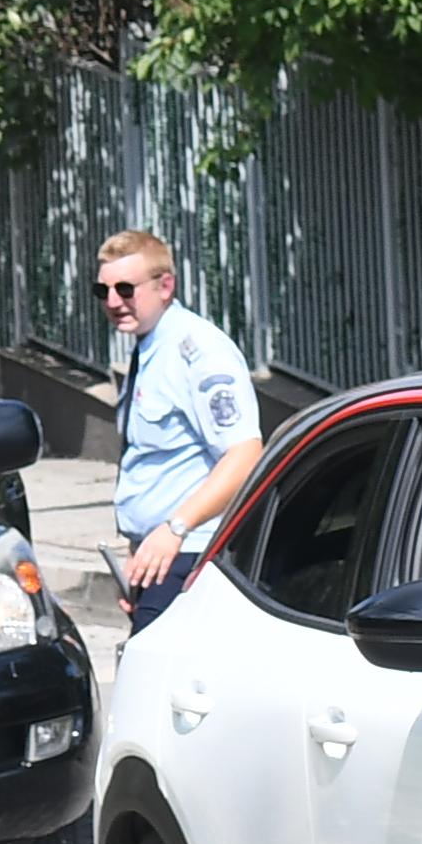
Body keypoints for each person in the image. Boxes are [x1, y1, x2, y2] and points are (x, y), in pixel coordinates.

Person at [104, 232, 265, 623]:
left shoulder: (198, 351)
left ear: (166, 286)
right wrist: (139, 548)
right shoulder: (149, 347)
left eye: (126, 289)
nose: (112, 302)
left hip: (192, 554)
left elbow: (245, 455)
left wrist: (174, 529)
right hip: (159, 555)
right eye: (103, 289)